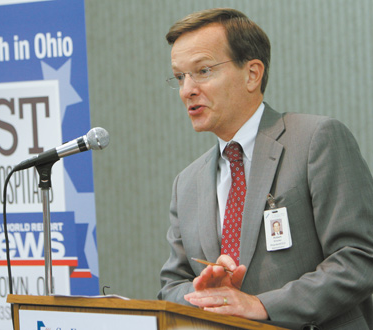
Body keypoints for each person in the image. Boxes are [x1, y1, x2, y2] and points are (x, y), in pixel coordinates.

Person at [157, 8, 373, 330]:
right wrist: (205, 294)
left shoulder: (316, 140)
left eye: (202, 71)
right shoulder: (186, 183)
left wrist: (261, 305)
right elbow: (172, 288)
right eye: (179, 77)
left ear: (252, 73)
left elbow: (358, 257)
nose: (186, 89)